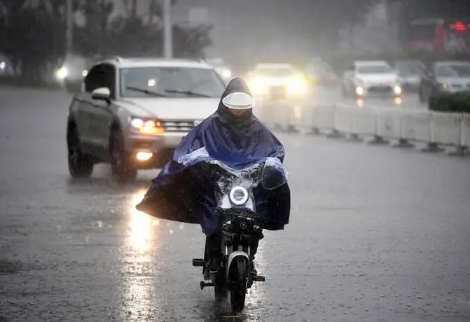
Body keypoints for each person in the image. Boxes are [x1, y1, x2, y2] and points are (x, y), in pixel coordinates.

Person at [136, 78, 290, 275]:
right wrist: (200, 162)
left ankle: (250, 255)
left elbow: (275, 150)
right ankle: (214, 257)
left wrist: (271, 164)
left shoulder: (257, 129)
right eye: (234, 107)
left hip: (247, 184)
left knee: (255, 220)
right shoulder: (210, 126)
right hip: (218, 182)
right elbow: (189, 149)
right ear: (225, 103)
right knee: (216, 218)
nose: (237, 111)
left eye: (241, 107)